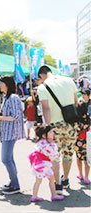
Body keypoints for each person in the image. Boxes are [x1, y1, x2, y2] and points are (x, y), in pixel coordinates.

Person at [37, 65, 78, 194]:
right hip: (71, 123)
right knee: (68, 154)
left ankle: (58, 185)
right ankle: (65, 179)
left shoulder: (42, 87)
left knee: (55, 156)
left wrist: (47, 128)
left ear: (41, 76)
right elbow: (76, 103)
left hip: (55, 126)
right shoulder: (69, 81)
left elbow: (46, 109)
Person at [0, 75, 25, 195]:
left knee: (5, 159)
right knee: (9, 159)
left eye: (1, 83)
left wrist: (0, 117)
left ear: (7, 84)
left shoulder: (13, 98)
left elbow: (16, 116)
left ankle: (15, 185)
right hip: (6, 132)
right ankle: (13, 182)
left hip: (11, 132)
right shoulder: (7, 97)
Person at [28, 126, 64, 202]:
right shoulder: (49, 145)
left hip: (38, 163)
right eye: (50, 132)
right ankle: (54, 195)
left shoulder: (40, 142)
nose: (53, 133)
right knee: (51, 179)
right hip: (45, 164)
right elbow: (54, 154)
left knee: (38, 180)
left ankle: (34, 196)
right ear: (44, 135)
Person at [75, 89, 91, 185]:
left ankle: (83, 175)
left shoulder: (78, 123)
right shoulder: (87, 123)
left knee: (81, 158)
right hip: (87, 138)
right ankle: (84, 176)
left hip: (81, 138)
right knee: (85, 158)